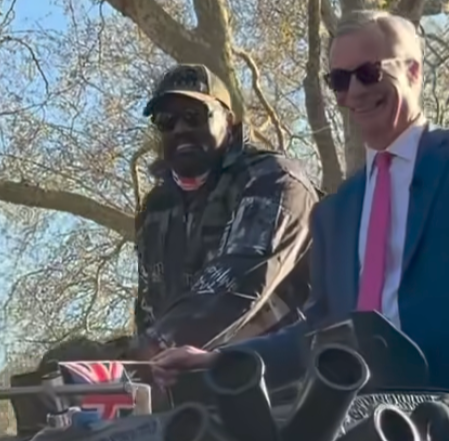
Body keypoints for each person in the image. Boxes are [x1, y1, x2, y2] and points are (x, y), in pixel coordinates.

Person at [156, 11, 449, 394]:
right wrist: (221, 360)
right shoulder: (334, 213)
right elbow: (317, 332)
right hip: (358, 430)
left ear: (413, 72)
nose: (353, 93)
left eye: (368, 73)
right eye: (339, 80)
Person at [133, 63, 317, 353]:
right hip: (180, 370)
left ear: (228, 122)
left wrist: (151, 349)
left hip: (281, 369)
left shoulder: (272, 179)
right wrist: (125, 360)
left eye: (194, 116)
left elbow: (238, 284)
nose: (180, 129)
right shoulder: (156, 210)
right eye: (166, 121)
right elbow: (148, 312)